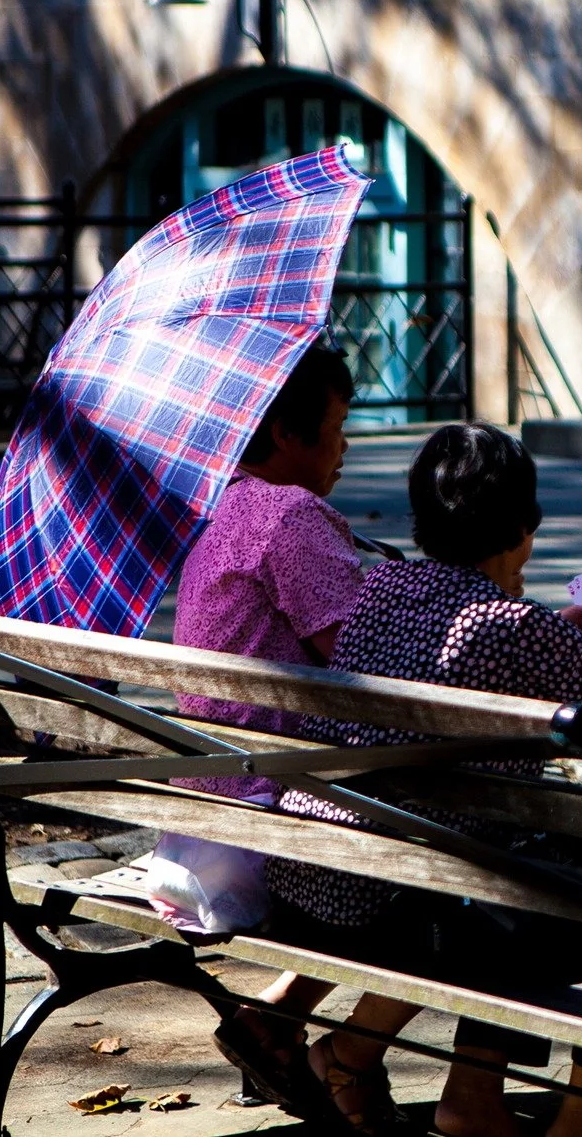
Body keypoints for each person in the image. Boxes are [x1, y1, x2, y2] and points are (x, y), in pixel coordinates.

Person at [264, 422, 582, 1137]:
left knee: (527, 863)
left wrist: (554, 634)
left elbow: (459, 654)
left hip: (315, 872)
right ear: (521, 528)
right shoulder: (511, 628)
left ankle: (454, 1089)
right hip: (401, 902)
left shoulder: (387, 587)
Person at [170, 343, 361, 1109]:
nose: (346, 448)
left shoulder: (230, 501)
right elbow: (362, 666)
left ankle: (275, 1019)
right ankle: (346, 1055)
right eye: (339, 427)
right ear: (288, 433)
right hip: (260, 823)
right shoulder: (293, 514)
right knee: (458, 841)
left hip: (196, 812)